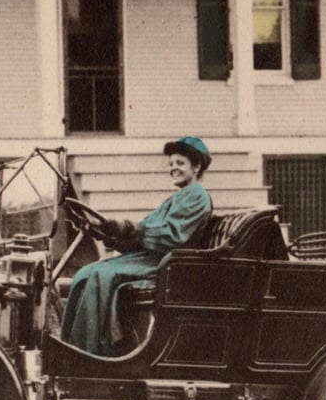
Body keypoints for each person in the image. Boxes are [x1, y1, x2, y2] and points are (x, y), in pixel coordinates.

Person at [60, 136, 213, 357]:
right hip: (152, 257)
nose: (173, 168)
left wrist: (128, 228)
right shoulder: (178, 197)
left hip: (166, 263)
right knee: (85, 272)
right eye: (171, 164)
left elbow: (172, 236)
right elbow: (147, 230)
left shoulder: (197, 196)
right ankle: (72, 347)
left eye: (180, 163)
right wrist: (112, 236)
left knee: (99, 275)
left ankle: (92, 353)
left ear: (196, 166)